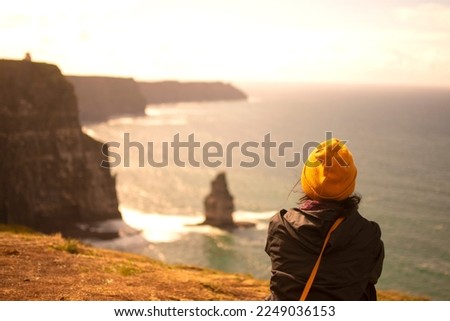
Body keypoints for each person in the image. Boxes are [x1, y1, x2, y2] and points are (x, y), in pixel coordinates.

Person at [265, 138, 384, 300]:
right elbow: (372, 276)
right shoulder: (368, 234)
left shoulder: (281, 225)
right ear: (349, 184)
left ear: (307, 179)